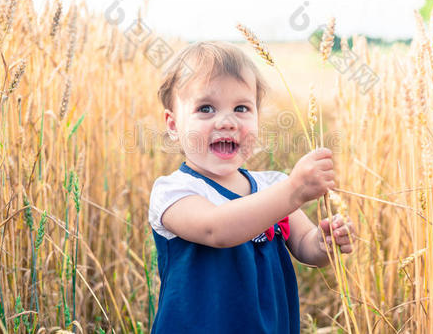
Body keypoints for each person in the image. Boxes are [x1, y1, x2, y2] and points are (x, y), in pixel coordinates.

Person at [149, 41, 356, 333]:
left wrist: (324, 244)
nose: (227, 121)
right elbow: (216, 229)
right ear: (173, 125)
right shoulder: (174, 192)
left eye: (242, 108)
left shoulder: (272, 185)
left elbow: (304, 246)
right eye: (205, 108)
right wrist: (294, 190)